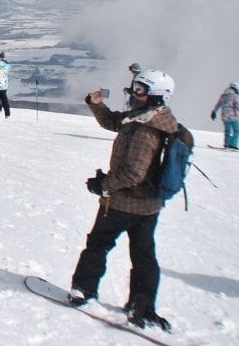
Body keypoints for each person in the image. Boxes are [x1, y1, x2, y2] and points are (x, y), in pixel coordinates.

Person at [68, 69, 179, 333]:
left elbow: (133, 174)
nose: (133, 93)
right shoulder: (150, 118)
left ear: (156, 96)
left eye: (140, 90)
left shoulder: (147, 129)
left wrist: (103, 186)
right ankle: (141, 306)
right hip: (148, 207)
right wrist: (97, 105)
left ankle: (83, 290)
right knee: (143, 256)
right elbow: (115, 123)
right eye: (134, 87)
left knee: (98, 244)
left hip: (123, 203)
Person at [211, 82, 239, 151]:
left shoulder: (224, 95)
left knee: (227, 131)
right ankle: (233, 145)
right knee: (236, 131)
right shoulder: (235, 96)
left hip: (224, 116)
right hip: (232, 117)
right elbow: (238, 106)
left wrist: (214, 112)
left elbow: (218, 104)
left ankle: (227, 144)